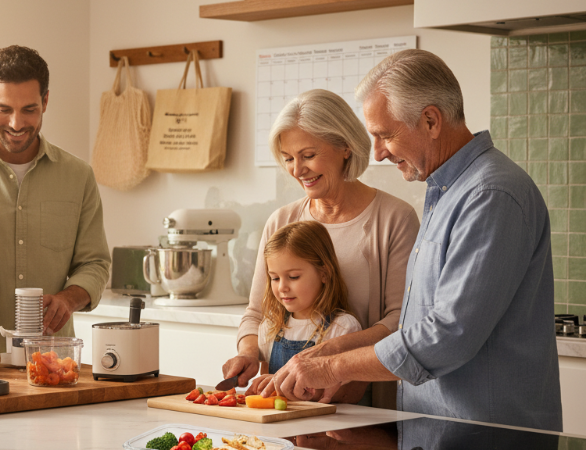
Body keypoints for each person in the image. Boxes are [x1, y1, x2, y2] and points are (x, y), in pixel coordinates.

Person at [262, 49, 563, 432]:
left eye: (385, 135)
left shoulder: (490, 194)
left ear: (431, 120)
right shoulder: (447, 191)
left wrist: (329, 366)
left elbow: (447, 335)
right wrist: (329, 350)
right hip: (439, 428)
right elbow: (414, 323)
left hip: (484, 434)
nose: (379, 153)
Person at [223, 89, 419, 408]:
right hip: (290, 404)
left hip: (367, 403)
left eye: (308, 155)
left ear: (345, 146)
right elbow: (257, 313)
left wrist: (322, 356)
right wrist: (247, 353)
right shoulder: (282, 222)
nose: (297, 170)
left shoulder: (395, 218)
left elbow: (399, 322)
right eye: (288, 159)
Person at [0, 45, 110, 350]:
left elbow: (94, 262)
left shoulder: (78, 176)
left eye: (29, 109)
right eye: (4, 109)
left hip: (53, 360)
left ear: (45, 101)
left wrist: (69, 299)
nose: (17, 124)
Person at [252, 221, 362, 386]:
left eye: (294, 276)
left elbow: (346, 395)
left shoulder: (343, 328)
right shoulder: (270, 326)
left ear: (324, 274)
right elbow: (265, 387)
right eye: (275, 278)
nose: (282, 287)